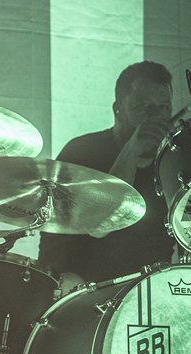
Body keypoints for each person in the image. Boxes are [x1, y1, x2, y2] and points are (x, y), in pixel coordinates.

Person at [38, 61, 176, 288]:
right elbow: (99, 225)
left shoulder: (172, 163)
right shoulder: (81, 152)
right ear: (118, 111)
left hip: (149, 290)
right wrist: (132, 150)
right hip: (78, 288)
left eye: (163, 107)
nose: (155, 118)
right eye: (143, 107)